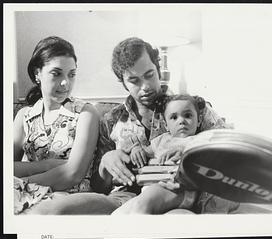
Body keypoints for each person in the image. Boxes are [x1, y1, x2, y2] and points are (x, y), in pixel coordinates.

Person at [30, 37, 237, 214]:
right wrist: (106, 164)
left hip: (178, 194)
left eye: (149, 75)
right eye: (134, 81)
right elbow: (98, 185)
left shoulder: (191, 108)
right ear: (123, 81)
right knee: (53, 211)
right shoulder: (111, 119)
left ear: (158, 68)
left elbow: (232, 151)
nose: (145, 87)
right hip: (123, 197)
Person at [13, 36, 99, 214]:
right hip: (26, 197)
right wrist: (45, 165)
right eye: (56, 73)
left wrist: (22, 182)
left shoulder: (85, 114)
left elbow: (72, 174)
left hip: (70, 200)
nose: (65, 82)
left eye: (71, 74)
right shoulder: (24, 116)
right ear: (38, 74)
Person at [112, 94, 206, 214]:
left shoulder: (200, 140)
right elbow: (144, 152)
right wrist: (136, 150)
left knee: (141, 206)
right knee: (118, 214)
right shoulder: (162, 140)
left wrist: (185, 152)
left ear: (199, 121)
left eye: (188, 116)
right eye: (174, 117)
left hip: (180, 191)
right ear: (166, 124)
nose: (181, 121)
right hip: (152, 190)